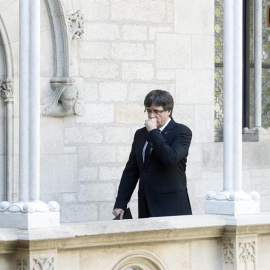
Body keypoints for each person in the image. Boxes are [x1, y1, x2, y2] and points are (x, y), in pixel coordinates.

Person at [113, 90, 192, 219]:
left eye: (156, 111)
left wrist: (154, 132)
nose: (151, 115)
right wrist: (120, 203)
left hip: (171, 206)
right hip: (146, 204)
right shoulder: (141, 134)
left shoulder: (182, 132)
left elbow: (170, 158)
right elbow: (131, 171)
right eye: (148, 110)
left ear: (168, 111)